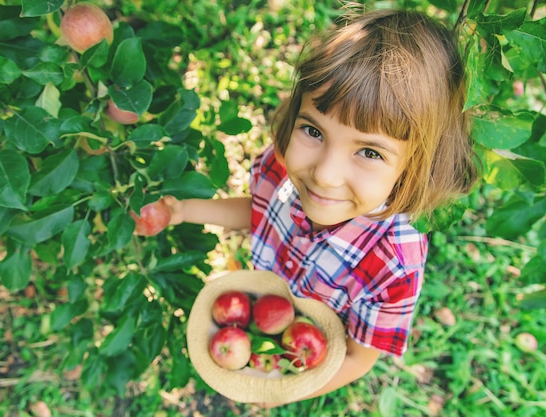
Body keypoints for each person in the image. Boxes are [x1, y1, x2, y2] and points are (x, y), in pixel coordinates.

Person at [158, 7, 477, 407]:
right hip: (272, 298)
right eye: (313, 130)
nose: (324, 174)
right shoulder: (282, 167)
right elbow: (258, 214)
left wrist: (282, 391)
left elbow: (360, 357)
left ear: (415, 165)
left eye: (369, 152)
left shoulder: (393, 264)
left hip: (315, 330)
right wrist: (184, 211)